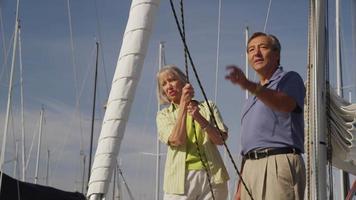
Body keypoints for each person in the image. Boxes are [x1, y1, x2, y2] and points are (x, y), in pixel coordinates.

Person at [225, 32, 306, 200]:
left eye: (263, 47)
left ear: (277, 54)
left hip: (277, 162)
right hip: (249, 169)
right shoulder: (250, 101)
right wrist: (240, 184)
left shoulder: (290, 78)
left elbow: (285, 103)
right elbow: (248, 145)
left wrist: (248, 84)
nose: (256, 53)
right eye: (251, 49)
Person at [156, 65, 229, 200]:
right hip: (179, 179)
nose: (168, 86)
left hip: (213, 176)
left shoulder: (208, 106)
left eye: (172, 80)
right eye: (164, 84)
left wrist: (200, 118)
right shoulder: (163, 115)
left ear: (184, 82)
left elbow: (221, 140)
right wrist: (183, 105)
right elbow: (176, 140)